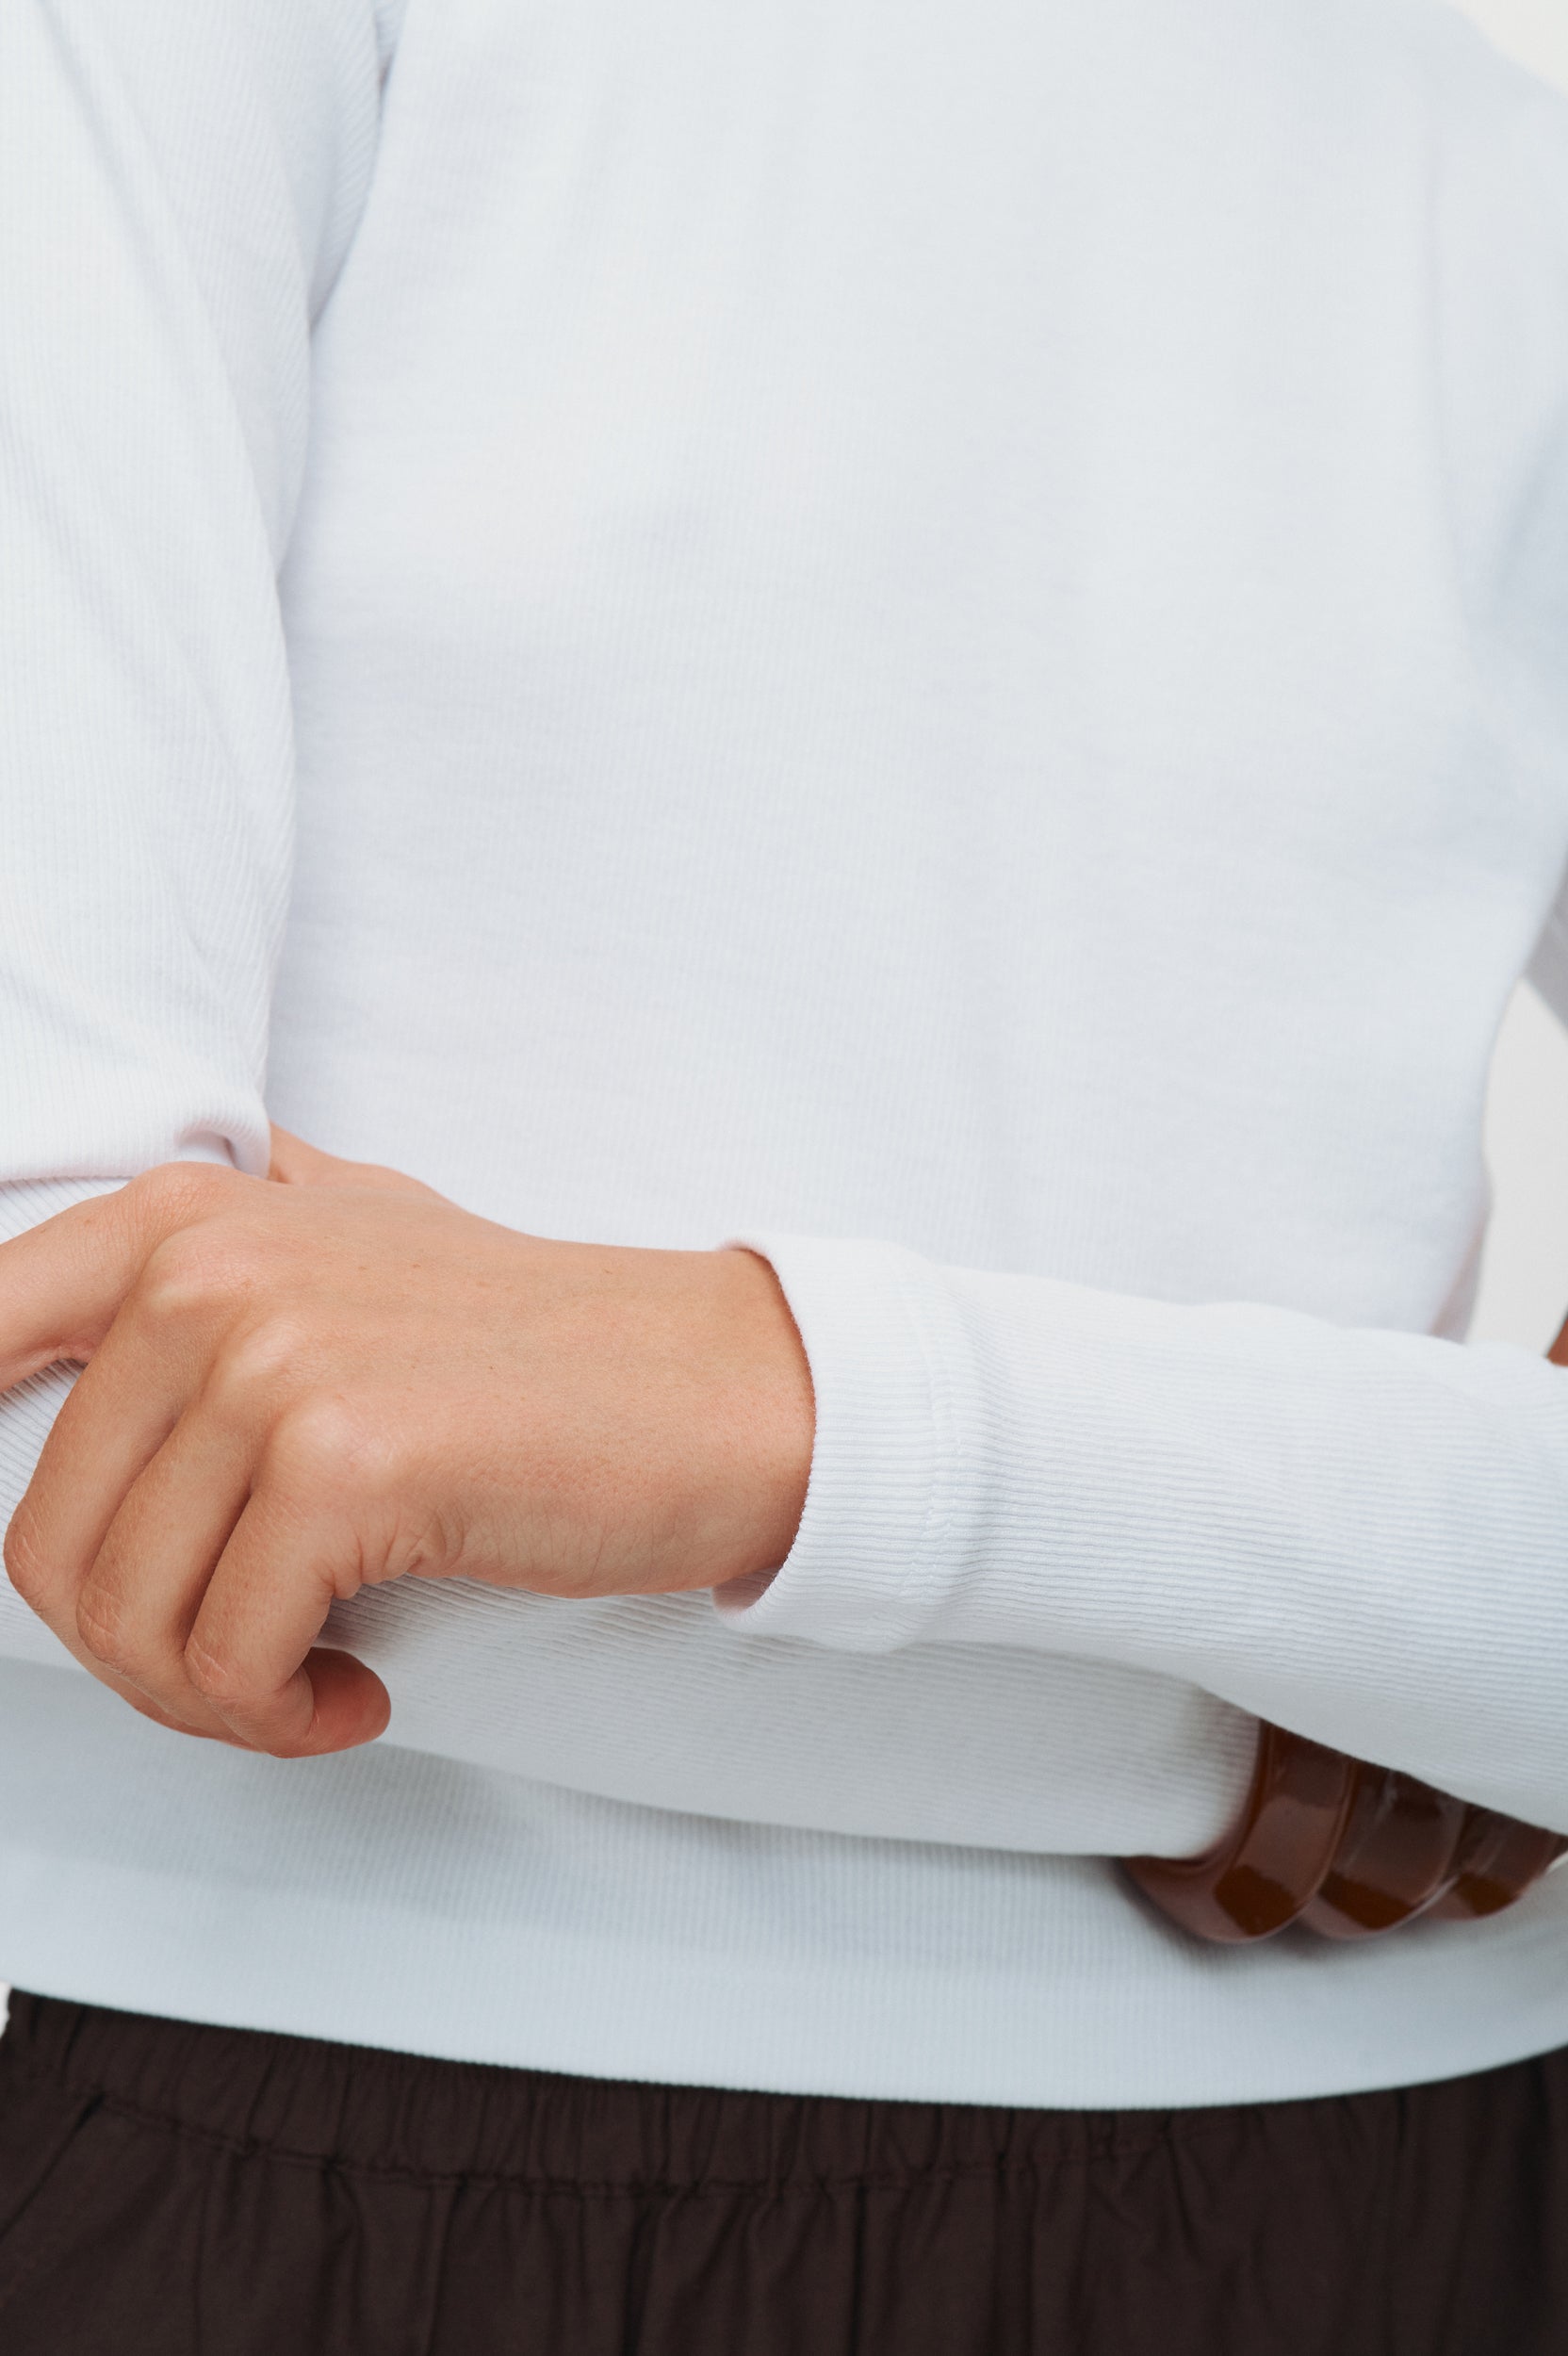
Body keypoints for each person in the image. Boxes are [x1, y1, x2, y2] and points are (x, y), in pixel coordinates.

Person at [2, 0, 1567, 2346]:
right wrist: (1382, 1636)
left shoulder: (1490, 166)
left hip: (1452, 2164)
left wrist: (809, 1411)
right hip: (341, 2137)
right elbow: (82, 1418)